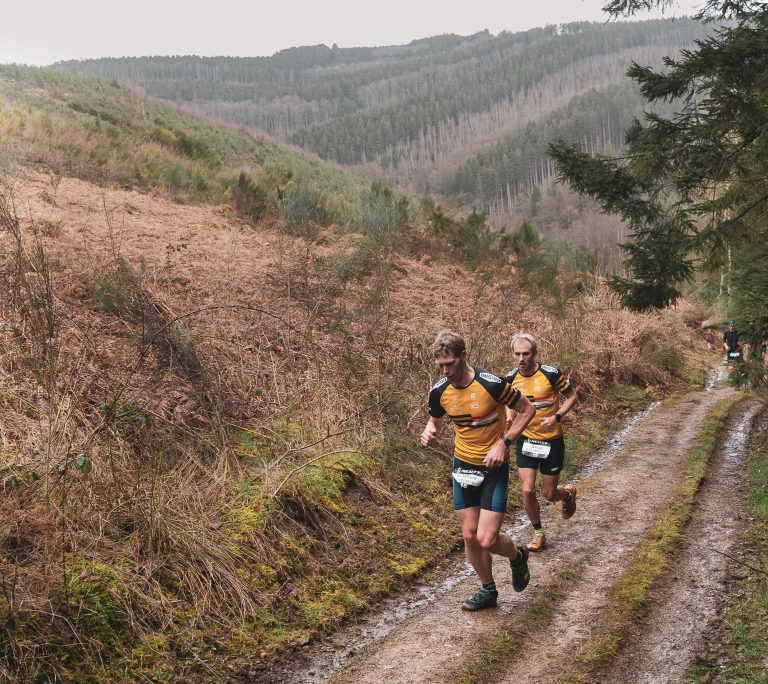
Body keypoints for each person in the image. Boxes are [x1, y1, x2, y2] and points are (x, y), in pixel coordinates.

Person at [420, 329, 536, 611]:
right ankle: (488, 590)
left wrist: (504, 443)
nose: (446, 371)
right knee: (470, 536)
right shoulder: (439, 391)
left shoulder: (491, 383)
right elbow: (435, 422)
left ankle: (517, 556)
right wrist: (429, 431)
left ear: (463, 356)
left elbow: (527, 410)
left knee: (488, 539)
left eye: (451, 364)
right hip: (463, 467)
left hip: (492, 467)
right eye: (440, 366)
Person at [506, 332, 578, 552]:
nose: (521, 359)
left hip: (551, 441)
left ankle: (566, 493)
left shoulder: (551, 374)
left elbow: (572, 396)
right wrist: (509, 417)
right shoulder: (510, 378)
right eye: (517, 354)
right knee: (527, 490)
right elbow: (508, 401)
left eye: (525, 354)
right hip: (526, 440)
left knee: (548, 494)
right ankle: (538, 533)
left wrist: (556, 417)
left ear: (534, 353)